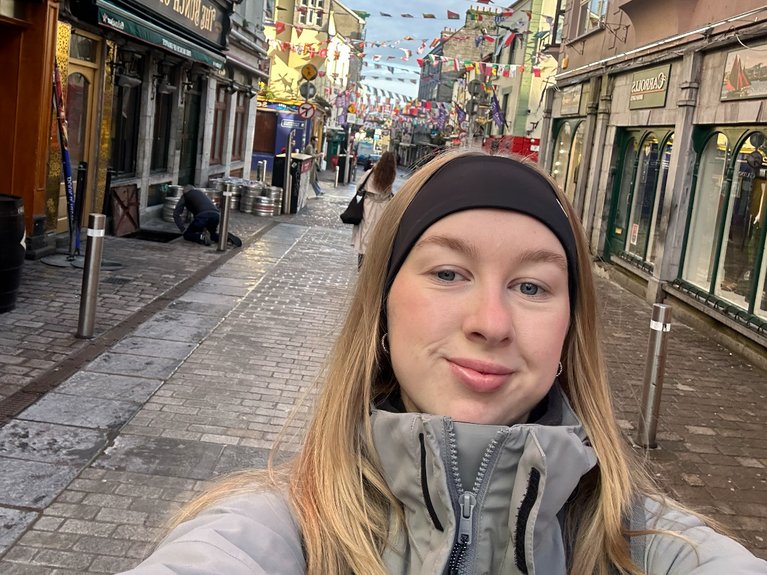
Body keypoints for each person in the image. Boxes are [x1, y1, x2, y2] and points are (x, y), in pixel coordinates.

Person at [121, 151, 767, 575]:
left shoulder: (651, 548)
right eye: (449, 273)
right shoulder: (276, 531)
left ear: (570, 330)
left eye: (531, 286)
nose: (490, 322)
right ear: (381, 306)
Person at [352, 150, 396, 269]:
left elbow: (359, 186)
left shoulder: (371, 173)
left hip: (369, 204)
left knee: (365, 231)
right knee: (378, 233)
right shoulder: (391, 176)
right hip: (383, 206)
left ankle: (361, 262)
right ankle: (374, 262)